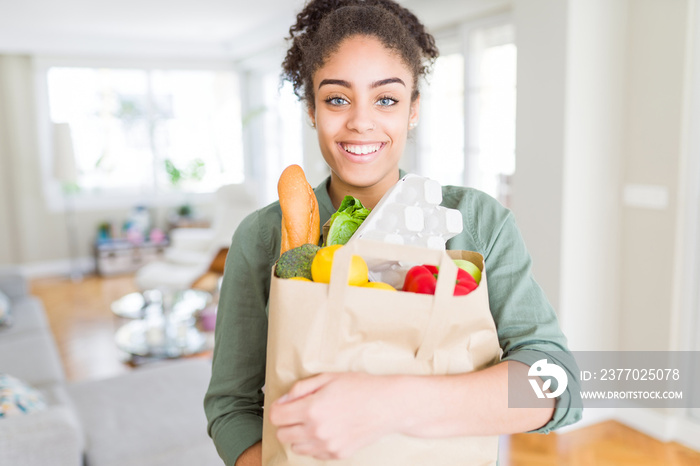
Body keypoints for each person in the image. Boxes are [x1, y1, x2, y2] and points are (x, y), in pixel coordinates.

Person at [204, 0, 582, 464]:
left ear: (413, 109)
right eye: (337, 98)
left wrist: (386, 406)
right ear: (311, 109)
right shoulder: (263, 237)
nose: (361, 121)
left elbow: (556, 379)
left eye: (386, 99)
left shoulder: (477, 223)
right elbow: (231, 405)